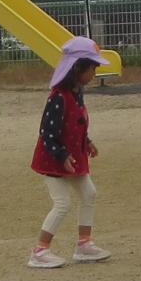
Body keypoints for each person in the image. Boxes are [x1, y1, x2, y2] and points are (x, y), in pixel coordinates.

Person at [29, 37, 111, 268]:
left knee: (89, 194)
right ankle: (39, 250)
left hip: (74, 158)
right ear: (77, 69)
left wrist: (87, 141)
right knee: (62, 203)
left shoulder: (77, 94)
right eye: (91, 68)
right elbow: (47, 132)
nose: (94, 73)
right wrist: (62, 155)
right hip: (54, 160)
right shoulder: (58, 97)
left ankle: (84, 244)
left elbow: (76, 124)